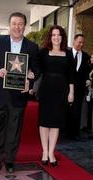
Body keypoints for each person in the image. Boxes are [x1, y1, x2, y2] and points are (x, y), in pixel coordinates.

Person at [0, 12, 40, 173]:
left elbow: (36, 69)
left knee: (14, 131)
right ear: (9, 25)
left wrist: (31, 79)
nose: (17, 27)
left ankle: (10, 161)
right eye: (14, 23)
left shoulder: (32, 47)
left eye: (20, 24)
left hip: (19, 97)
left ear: (25, 26)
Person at [37, 25, 75, 166]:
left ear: (62, 37)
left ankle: (52, 152)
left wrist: (71, 92)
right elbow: (36, 69)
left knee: (56, 122)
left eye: (59, 35)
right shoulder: (43, 52)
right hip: (46, 90)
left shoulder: (69, 53)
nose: (56, 37)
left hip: (61, 90)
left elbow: (71, 75)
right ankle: (44, 152)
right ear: (50, 37)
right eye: (53, 35)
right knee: (44, 122)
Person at [65, 34, 91, 140]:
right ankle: (63, 131)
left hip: (79, 89)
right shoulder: (66, 54)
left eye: (82, 42)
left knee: (77, 111)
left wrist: (87, 79)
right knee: (66, 109)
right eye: (79, 42)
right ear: (74, 41)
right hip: (66, 88)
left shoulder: (85, 56)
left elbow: (86, 71)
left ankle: (74, 133)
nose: (81, 44)